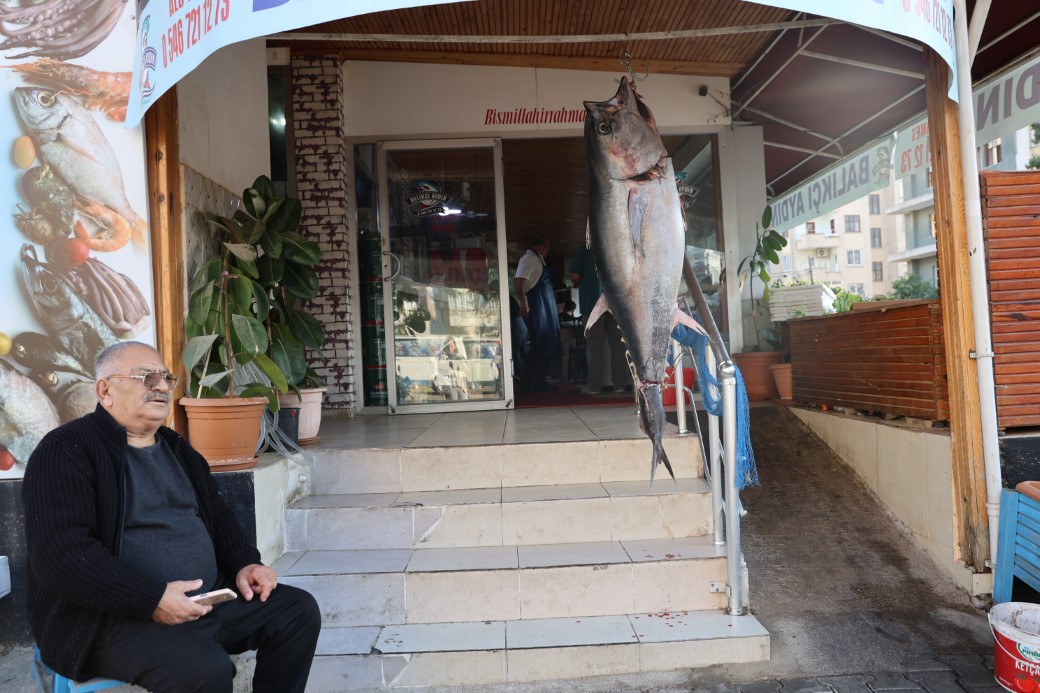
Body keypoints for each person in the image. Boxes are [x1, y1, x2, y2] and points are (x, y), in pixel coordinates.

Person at [22, 341, 321, 693]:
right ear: (105, 390)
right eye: (146, 377)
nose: (161, 386)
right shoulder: (65, 451)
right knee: (203, 670)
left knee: (297, 611)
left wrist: (245, 564)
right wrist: (151, 599)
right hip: (112, 618)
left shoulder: (178, 448)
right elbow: (61, 556)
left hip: (206, 602)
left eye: (165, 377)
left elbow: (219, 518)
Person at [568, 244, 631, 395]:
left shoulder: (587, 249)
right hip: (616, 301)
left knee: (594, 345)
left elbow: (575, 275)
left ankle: (594, 386)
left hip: (592, 302)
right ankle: (620, 384)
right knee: (618, 345)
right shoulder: (617, 246)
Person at [513, 236, 563, 391]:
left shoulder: (538, 259)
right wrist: (523, 304)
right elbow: (519, 281)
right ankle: (529, 381)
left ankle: (537, 380)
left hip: (543, 307)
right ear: (546, 245)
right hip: (536, 307)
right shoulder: (529, 259)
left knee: (542, 345)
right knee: (538, 345)